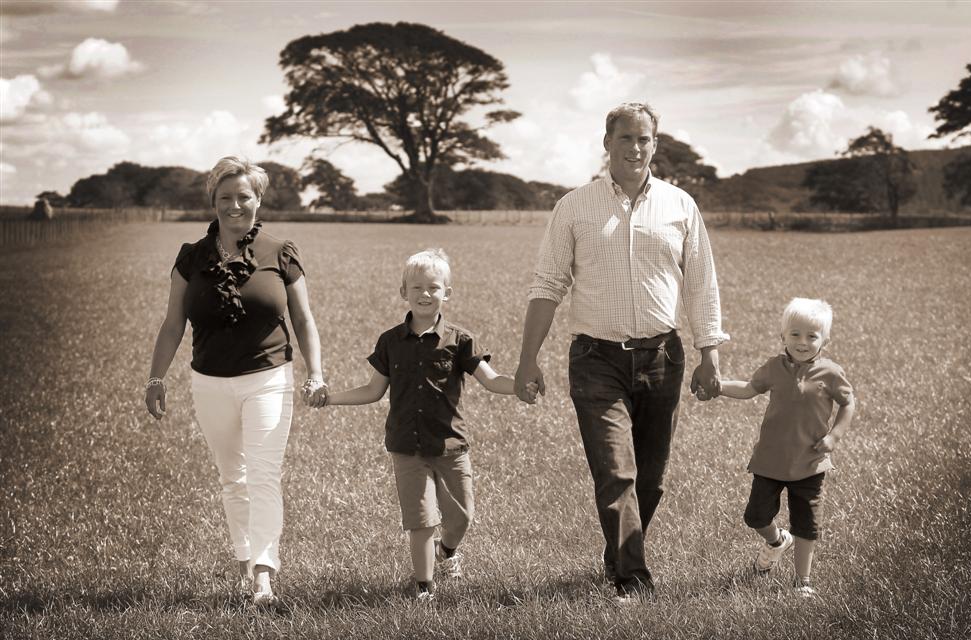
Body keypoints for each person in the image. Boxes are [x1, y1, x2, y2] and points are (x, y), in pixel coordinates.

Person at [514, 102, 729, 602]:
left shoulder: (680, 206)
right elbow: (548, 285)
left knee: (651, 480)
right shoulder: (574, 206)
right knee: (616, 471)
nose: (635, 147)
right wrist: (528, 359)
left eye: (644, 138)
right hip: (596, 359)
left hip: (663, 358)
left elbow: (701, 283)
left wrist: (709, 352)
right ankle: (632, 578)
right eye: (626, 137)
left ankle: (617, 556)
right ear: (607, 142)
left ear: (655, 144)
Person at [145, 156, 328, 607]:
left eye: (243, 196)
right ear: (213, 201)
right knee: (233, 478)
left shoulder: (281, 252)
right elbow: (173, 324)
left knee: (263, 476)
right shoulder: (191, 257)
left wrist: (316, 372)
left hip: (268, 378)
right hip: (209, 382)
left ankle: (264, 577)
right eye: (224, 197)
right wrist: (155, 377)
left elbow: (304, 320)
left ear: (258, 199)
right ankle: (246, 561)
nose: (234, 205)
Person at [315, 248, 531, 601]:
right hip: (407, 447)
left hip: (450, 445)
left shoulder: (460, 340)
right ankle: (423, 587)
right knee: (421, 520)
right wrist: (330, 398)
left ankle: (447, 551)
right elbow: (373, 390)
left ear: (448, 293)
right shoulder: (390, 341)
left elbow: (491, 380)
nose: (425, 294)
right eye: (416, 287)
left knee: (462, 516)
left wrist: (520, 386)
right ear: (404, 292)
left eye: (433, 287)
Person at [718, 297, 856, 597]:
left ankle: (802, 581)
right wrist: (719, 386)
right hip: (770, 461)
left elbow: (848, 403)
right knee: (755, 517)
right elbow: (749, 389)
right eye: (795, 334)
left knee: (806, 525)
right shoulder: (774, 368)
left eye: (812, 336)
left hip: (810, 463)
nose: (802, 342)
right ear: (783, 336)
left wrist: (834, 437)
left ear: (825, 341)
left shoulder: (831, 373)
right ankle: (777, 541)